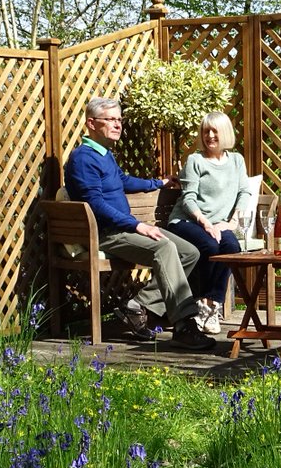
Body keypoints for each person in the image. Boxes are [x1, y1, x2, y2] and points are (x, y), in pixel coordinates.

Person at [63, 97, 215, 350]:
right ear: (91, 123)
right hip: (106, 233)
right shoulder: (83, 159)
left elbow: (122, 181)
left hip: (123, 228)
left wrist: (158, 183)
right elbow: (95, 204)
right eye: (111, 120)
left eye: (119, 120)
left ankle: (137, 305)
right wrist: (137, 225)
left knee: (190, 252)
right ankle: (184, 325)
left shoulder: (105, 155)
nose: (118, 125)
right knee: (164, 248)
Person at [163, 111, 252, 335]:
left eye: (215, 131)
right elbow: (188, 198)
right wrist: (205, 223)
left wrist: (232, 223)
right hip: (186, 220)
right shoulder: (195, 160)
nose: (210, 136)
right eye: (206, 131)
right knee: (210, 246)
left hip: (220, 224)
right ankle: (203, 304)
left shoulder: (236, 161)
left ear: (225, 133)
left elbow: (244, 192)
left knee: (232, 247)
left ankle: (211, 304)